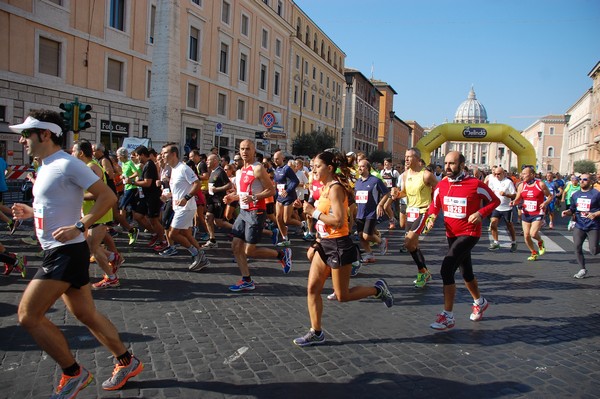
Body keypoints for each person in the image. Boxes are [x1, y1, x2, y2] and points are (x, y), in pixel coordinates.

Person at [9, 110, 143, 397]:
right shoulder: (45, 165)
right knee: (86, 313)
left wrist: (80, 225)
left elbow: (108, 195)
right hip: (61, 250)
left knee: (28, 315)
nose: (21, 140)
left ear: (45, 134)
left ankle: (74, 373)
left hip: (65, 253)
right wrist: (32, 213)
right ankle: (127, 362)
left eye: (26, 134)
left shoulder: (66, 164)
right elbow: (58, 204)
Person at [294, 151, 394, 347]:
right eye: (312, 165)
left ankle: (377, 290)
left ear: (329, 168)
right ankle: (316, 332)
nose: (313, 169)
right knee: (312, 289)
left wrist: (313, 212)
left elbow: (340, 222)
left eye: (317, 166)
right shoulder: (323, 188)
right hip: (324, 243)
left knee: (342, 296)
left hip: (339, 245)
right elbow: (323, 217)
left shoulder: (335, 189)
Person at [423, 151, 500, 330]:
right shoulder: (441, 185)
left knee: (447, 268)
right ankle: (480, 302)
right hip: (452, 234)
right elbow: (435, 205)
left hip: (470, 233)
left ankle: (448, 315)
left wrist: (480, 213)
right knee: (466, 272)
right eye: (446, 163)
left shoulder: (475, 184)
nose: (448, 167)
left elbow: (494, 201)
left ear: (461, 165)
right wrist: (431, 217)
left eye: (452, 164)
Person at [223, 140, 293, 292]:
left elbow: (271, 191)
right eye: (242, 149)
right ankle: (247, 280)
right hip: (243, 212)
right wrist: (232, 198)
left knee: (249, 251)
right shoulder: (240, 171)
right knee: (236, 246)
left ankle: (281, 255)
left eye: (248, 149)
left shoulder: (258, 168)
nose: (244, 152)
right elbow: (242, 194)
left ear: (254, 151)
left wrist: (254, 198)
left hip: (256, 212)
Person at [159, 144, 211, 270]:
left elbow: (196, 184)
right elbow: (181, 189)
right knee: (186, 234)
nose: (162, 155)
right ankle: (202, 258)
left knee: (173, 234)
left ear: (174, 154)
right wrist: (169, 196)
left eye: (165, 153)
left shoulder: (183, 168)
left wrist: (186, 197)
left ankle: (196, 254)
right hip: (179, 207)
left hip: (186, 208)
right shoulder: (174, 170)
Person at [397, 147, 438, 288]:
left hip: (423, 212)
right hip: (410, 212)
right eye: (405, 156)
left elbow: (439, 192)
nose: (406, 159)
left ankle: (423, 272)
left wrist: (433, 215)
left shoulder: (426, 175)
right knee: (413, 246)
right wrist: (397, 194)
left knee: (408, 243)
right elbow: (405, 193)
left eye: (409, 156)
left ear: (418, 159)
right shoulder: (404, 175)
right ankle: (424, 273)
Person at [561, 173, 600, 278]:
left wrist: (595, 214)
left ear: (591, 182)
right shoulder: (576, 195)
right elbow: (573, 209)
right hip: (580, 225)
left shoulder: (596, 194)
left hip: (593, 225)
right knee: (577, 247)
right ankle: (582, 269)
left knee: (594, 250)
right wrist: (567, 212)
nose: (581, 181)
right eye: (580, 179)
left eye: (585, 179)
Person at [511, 166, 553, 261]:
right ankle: (533, 252)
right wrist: (513, 202)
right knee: (526, 235)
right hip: (526, 213)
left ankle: (540, 242)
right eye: (522, 173)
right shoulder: (521, 185)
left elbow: (550, 196)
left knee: (533, 234)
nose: (522, 175)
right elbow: (518, 199)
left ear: (532, 175)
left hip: (538, 212)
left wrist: (545, 203)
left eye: (525, 173)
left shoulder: (540, 184)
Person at [354, 158, 390, 263]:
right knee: (360, 236)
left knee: (366, 235)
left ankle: (381, 241)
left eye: (362, 166)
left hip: (371, 212)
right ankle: (369, 254)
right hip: (360, 212)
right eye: (358, 166)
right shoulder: (358, 182)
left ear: (368, 168)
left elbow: (386, 193)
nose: (359, 168)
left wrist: (380, 204)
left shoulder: (375, 180)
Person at [203, 153, 233, 249]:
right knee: (208, 218)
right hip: (212, 200)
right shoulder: (212, 172)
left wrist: (217, 189)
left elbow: (229, 185)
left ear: (215, 161)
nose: (207, 162)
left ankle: (237, 228)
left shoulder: (220, 172)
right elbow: (213, 186)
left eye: (209, 160)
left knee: (218, 222)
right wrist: (207, 191)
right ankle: (212, 240)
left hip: (219, 200)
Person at [273, 151, 302, 246]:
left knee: (286, 220)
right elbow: (277, 183)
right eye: (274, 159)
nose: (275, 160)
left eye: (277, 158)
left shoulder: (287, 169)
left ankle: (302, 224)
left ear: (282, 158)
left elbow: (295, 181)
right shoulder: (277, 169)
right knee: (278, 218)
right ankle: (285, 239)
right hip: (280, 196)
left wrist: (288, 190)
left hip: (288, 196)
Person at [487, 167, 517, 252]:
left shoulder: (508, 182)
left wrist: (506, 194)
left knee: (509, 226)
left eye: (499, 174)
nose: (497, 176)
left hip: (506, 208)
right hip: (496, 207)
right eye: (495, 174)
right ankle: (496, 242)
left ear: (503, 173)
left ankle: (514, 242)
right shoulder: (493, 181)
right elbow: (490, 191)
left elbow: (514, 195)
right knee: (493, 224)